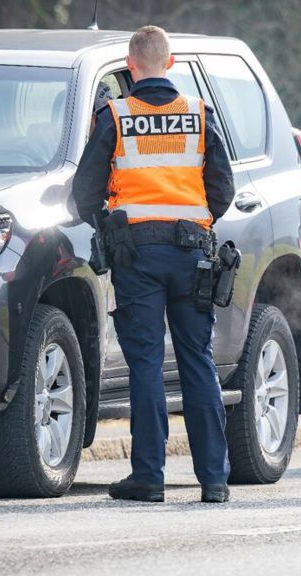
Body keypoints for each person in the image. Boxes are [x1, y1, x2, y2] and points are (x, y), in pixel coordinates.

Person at [73, 25, 235, 503]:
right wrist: (194, 222)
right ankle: (214, 480)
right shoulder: (199, 115)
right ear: (170, 63)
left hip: (137, 255)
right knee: (197, 361)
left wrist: (109, 224)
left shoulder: (116, 116)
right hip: (192, 254)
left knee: (145, 364)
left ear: (129, 63)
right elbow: (222, 190)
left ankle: (149, 477)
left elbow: (84, 193)